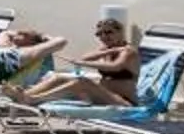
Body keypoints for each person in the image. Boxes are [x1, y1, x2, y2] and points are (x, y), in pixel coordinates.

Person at [13, 15, 144, 106]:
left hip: (122, 101)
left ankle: (33, 99)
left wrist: (84, 63)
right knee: (59, 77)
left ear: (120, 31)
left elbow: (115, 66)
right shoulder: (108, 49)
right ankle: (22, 95)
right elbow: (84, 58)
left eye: (108, 32)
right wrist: (108, 51)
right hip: (102, 96)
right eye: (99, 34)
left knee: (82, 82)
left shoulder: (129, 51)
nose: (104, 36)